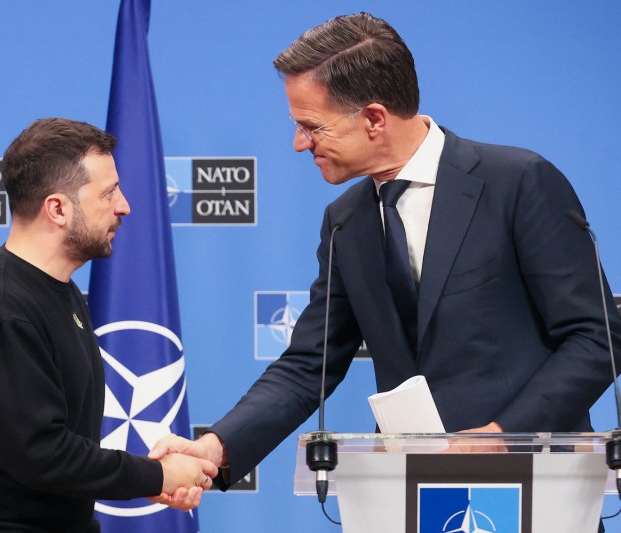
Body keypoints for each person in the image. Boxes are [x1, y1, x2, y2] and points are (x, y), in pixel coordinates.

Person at [150, 11, 621, 493]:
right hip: (408, 495)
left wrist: (502, 435)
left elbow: (597, 336)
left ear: (375, 119)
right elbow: (309, 364)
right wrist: (216, 446)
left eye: (312, 126)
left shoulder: (517, 183)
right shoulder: (345, 222)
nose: (298, 144)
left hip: (535, 491)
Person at [0, 118, 216, 533]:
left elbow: (58, 452)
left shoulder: (58, 293)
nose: (124, 206)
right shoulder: (2, 307)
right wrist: (160, 475)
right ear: (58, 208)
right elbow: (42, 454)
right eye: (109, 192)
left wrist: (146, 480)